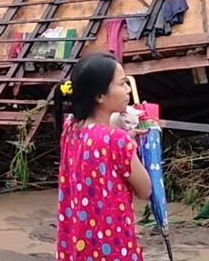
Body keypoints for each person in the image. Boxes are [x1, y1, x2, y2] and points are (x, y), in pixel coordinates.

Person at [54, 53, 152, 261]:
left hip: (80, 243)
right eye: (122, 84)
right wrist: (132, 147)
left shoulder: (70, 127)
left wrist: (126, 137)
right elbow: (145, 190)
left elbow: (99, 139)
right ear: (99, 96)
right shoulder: (116, 140)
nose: (127, 90)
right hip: (113, 246)